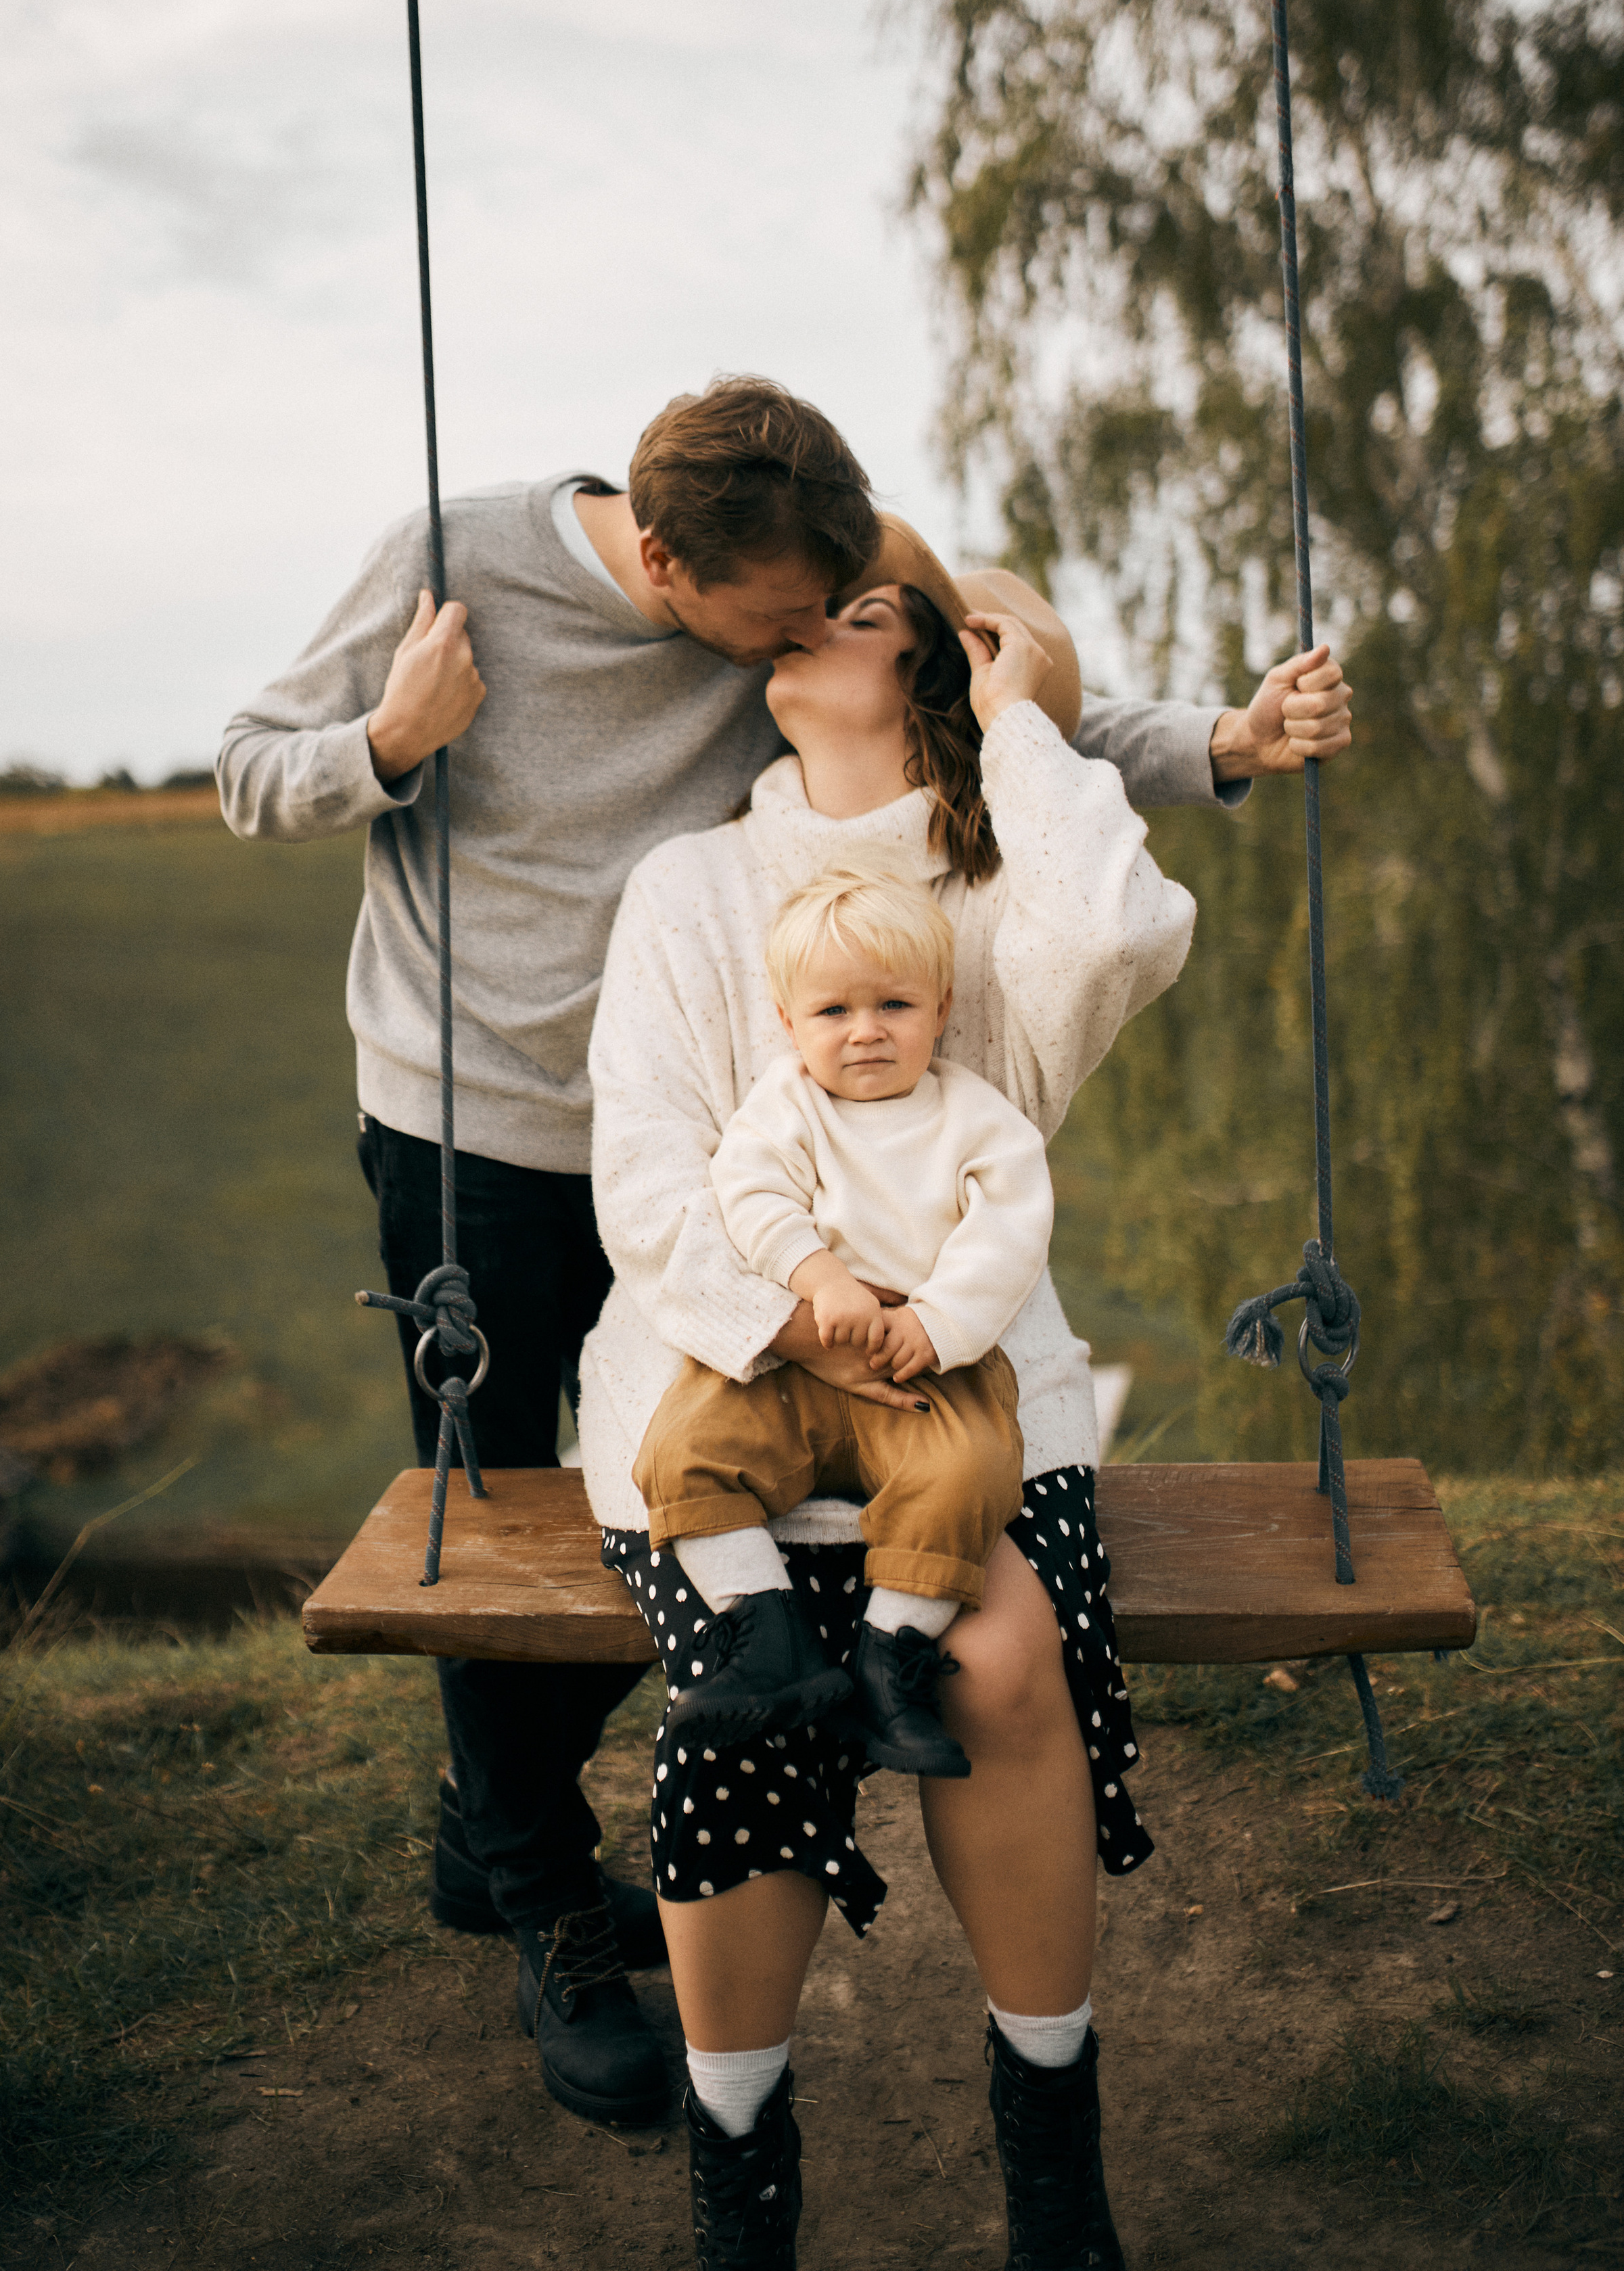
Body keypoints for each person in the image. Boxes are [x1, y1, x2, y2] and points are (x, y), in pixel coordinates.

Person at [215, 377, 1353, 2132]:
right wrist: (389, 740)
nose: (809, 628)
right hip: (487, 1123)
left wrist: (1207, 738)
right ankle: (535, 1890)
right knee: (516, 1491)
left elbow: (992, 694)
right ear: (669, 572)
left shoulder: (802, 588)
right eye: (785, 619)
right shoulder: (472, 591)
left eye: (844, 612)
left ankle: (540, 1832)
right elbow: (248, 769)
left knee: (719, 1526)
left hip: (783, 1170)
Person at [578, 521, 1222, 2267]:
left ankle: (1054, 2149)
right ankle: (740, 2169)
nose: (802, 626)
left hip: (963, 1369)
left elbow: (1127, 923)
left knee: (1002, 1654)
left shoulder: (1003, 888)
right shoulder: (689, 889)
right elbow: (640, 1176)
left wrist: (1029, 718)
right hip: (721, 1374)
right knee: (746, 1695)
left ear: (940, 663)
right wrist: (796, 1316)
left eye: (866, 611)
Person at [638, 865, 1054, 1775]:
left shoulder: (977, 1120)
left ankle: (885, 1659)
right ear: (789, 1023)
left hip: (923, 1357)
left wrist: (940, 1322)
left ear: (940, 1009)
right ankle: (767, 1634)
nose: (866, 1031)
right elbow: (747, 1195)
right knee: (683, 1449)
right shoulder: (784, 1107)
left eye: (894, 1005)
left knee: (971, 1472)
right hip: (800, 1346)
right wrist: (815, 1274)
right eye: (834, 1012)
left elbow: (1008, 1234)